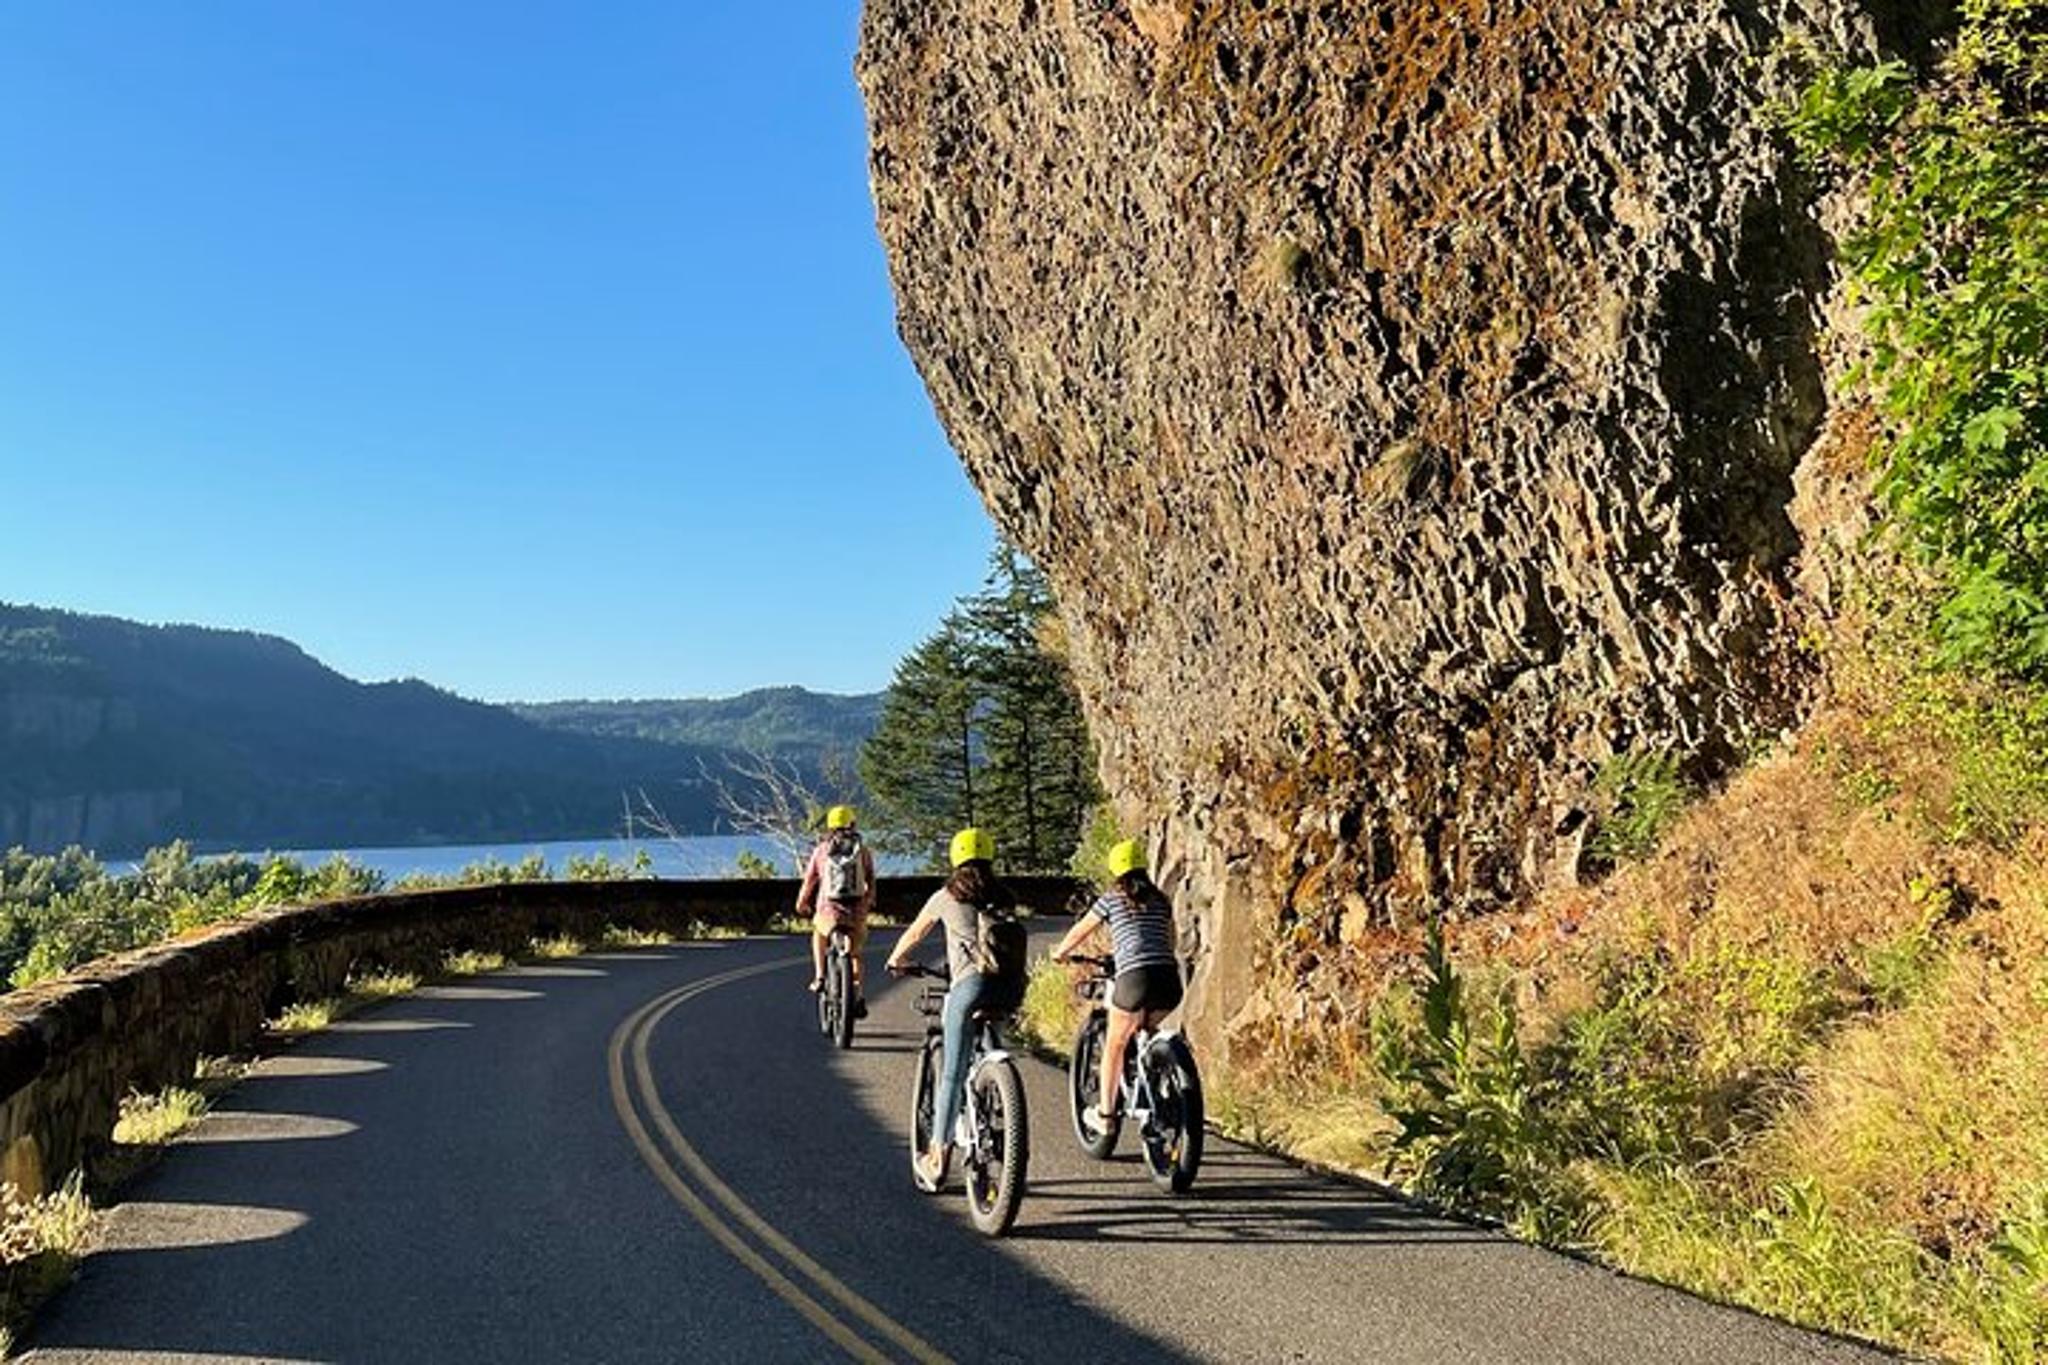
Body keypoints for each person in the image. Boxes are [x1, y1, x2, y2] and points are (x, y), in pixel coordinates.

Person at [885, 826, 1016, 1190]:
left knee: (953, 1075)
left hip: (969, 986)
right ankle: (999, 1102)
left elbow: (914, 934)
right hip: (1008, 987)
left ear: (955, 859)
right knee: (993, 1044)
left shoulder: (947, 896)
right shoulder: (1004, 897)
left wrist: (896, 961)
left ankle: (937, 1158)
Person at [1051, 836, 1183, 1133]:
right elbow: (1169, 940)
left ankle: (1106, 1116)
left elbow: (1081, 930)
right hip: (1168, 979)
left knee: (1115, 1042)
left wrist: (1061, 953)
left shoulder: (1111, 900)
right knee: (1146, 1028)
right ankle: (1157, 1076)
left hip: (1134, 978)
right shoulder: (1161, 900)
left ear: (1115, 870)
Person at [798, 805, 877, 1015]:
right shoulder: (862, 850)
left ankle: (820, 976)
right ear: (852, 824)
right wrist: (869, 900)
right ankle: (858, 995)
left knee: (818, 933)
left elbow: (809, 881)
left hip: (829, 910)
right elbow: (870, 879)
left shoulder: (821, 850)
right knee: (855, 955)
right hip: (856, 911)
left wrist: (802, 902)